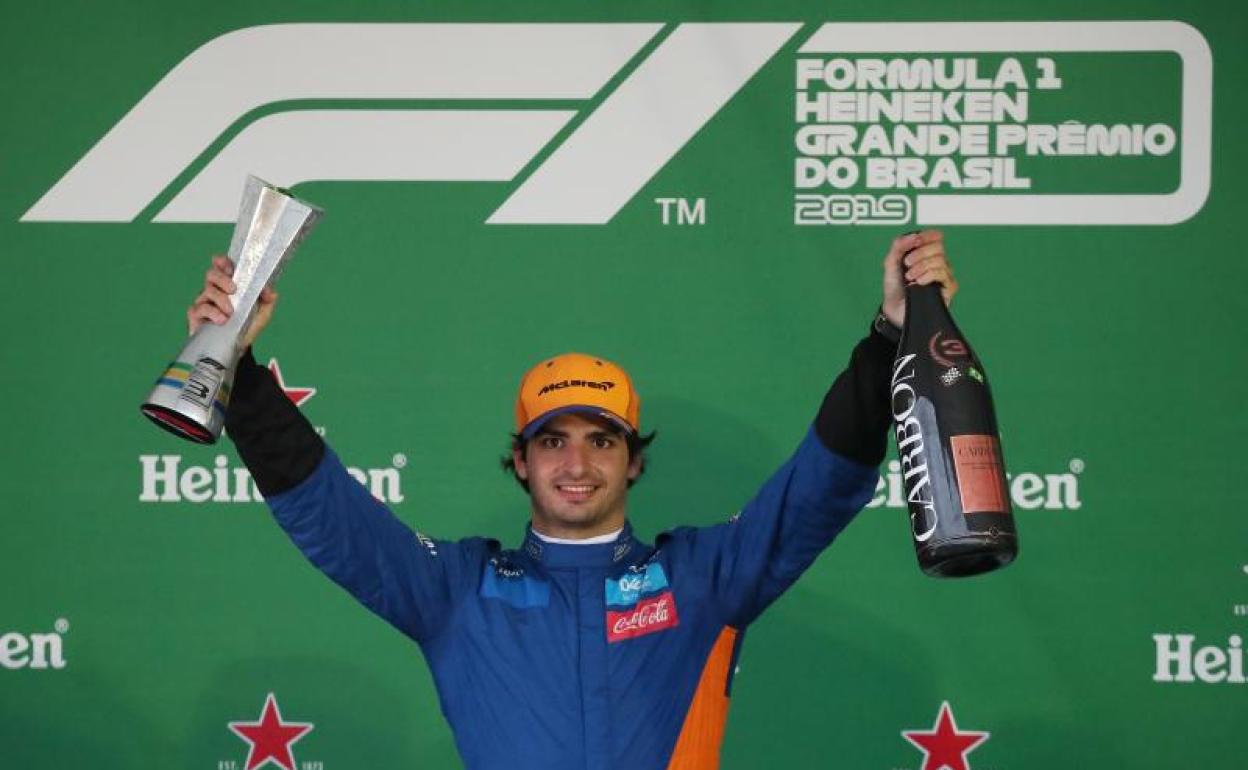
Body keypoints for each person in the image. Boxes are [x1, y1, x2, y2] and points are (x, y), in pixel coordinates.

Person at [188, 231, 957, 770]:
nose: (578, 463)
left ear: (633, 463)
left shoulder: (704, 579)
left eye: (603, 440)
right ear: (521, 462)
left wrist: (891, 339)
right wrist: (240, 372)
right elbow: (334, 517)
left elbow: (816, 488)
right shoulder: (458, 591)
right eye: (553, 441)